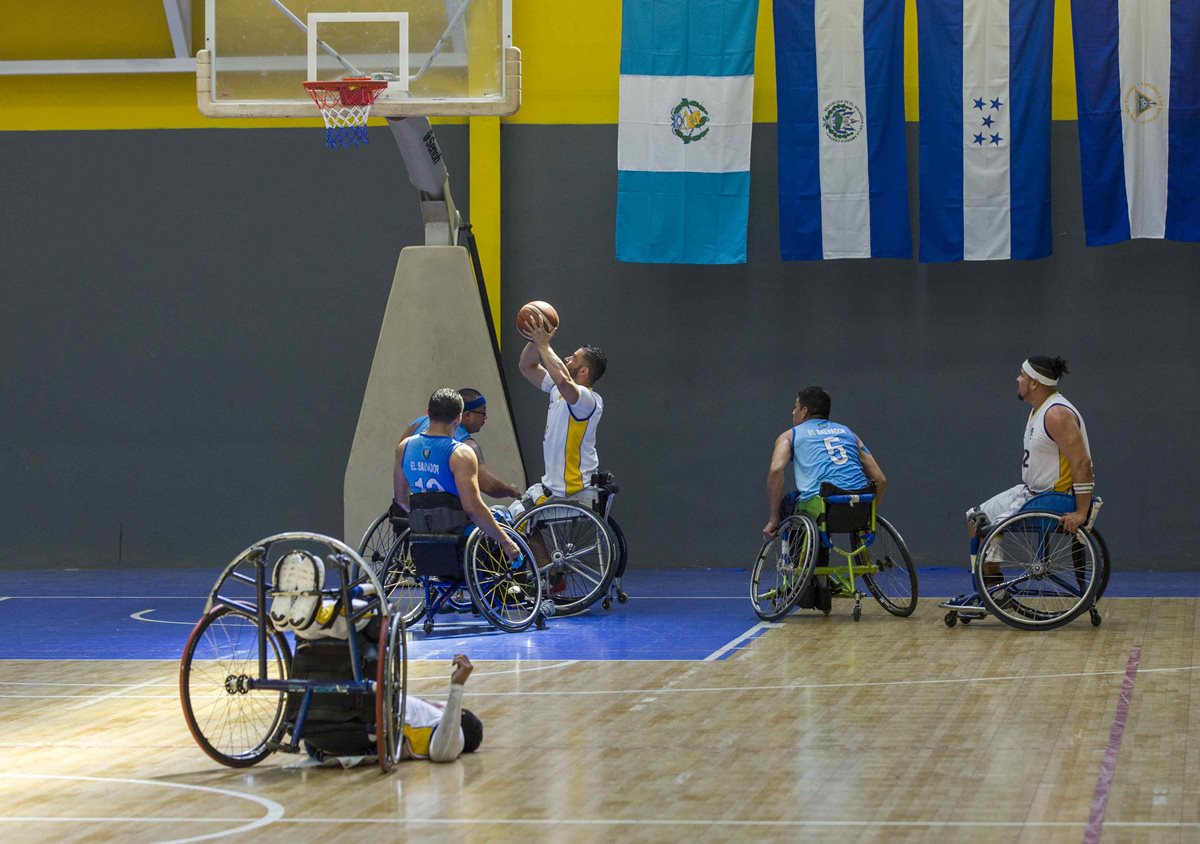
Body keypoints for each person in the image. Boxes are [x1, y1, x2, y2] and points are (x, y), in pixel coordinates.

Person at [966, 356, 1094, 569]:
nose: (1017, 379)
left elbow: (1082, 463)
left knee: (986, 526)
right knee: (974, 517)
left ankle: (991, 593)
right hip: (1033, 493)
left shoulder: (1056, 414)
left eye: (1022, 375)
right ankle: (991, 591)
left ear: (1034, 383)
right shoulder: (1040, 410)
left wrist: (1081, 513)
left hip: (1054, 499)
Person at [393, 388, 522, 562]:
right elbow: (472, 508)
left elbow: (400, 498)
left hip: (422, 535)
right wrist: (506, 543)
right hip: (457, 535)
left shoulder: (404, 447)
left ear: (428, 413)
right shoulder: (462, 453)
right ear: (459, 417)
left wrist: (424, 518)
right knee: (502, 514)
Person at [299, 653, 483, 766]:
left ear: (461, 713)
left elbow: (443, 753)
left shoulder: (452, 730)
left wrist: (457, 687)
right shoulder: (427, 715)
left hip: (359, 723)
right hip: (335, 726)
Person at [763, 386, 887, 541]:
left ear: (804, 411)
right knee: (826, 501)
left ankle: (799, 562)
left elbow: (776, 470)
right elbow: (880, 479)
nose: (793, 412)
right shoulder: (849, 433)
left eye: (795, 407)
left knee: (790, 503)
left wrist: (774, 520)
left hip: (824, 504)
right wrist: (870, 514)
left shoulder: (789, 436)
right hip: (860, 503)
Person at [514, 314, 607, 510]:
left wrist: (545, 345)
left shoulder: (589, 400)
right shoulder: (557, 388)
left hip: (573, 488)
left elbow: (565, 382)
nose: (567, 358)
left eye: (573, 358)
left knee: (516, 519)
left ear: (583, 372)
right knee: (516, 521)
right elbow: (527, 366)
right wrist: (534, 339)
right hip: (553, 487)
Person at [399, 387, 521, 499]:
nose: (485, 418)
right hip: (447, 516)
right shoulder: (468, 446)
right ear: (466, 415)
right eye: (483, 412)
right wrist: (510, 490)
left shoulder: (418, 423)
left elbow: (401, 459)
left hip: (414, 509)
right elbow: (488, 485)